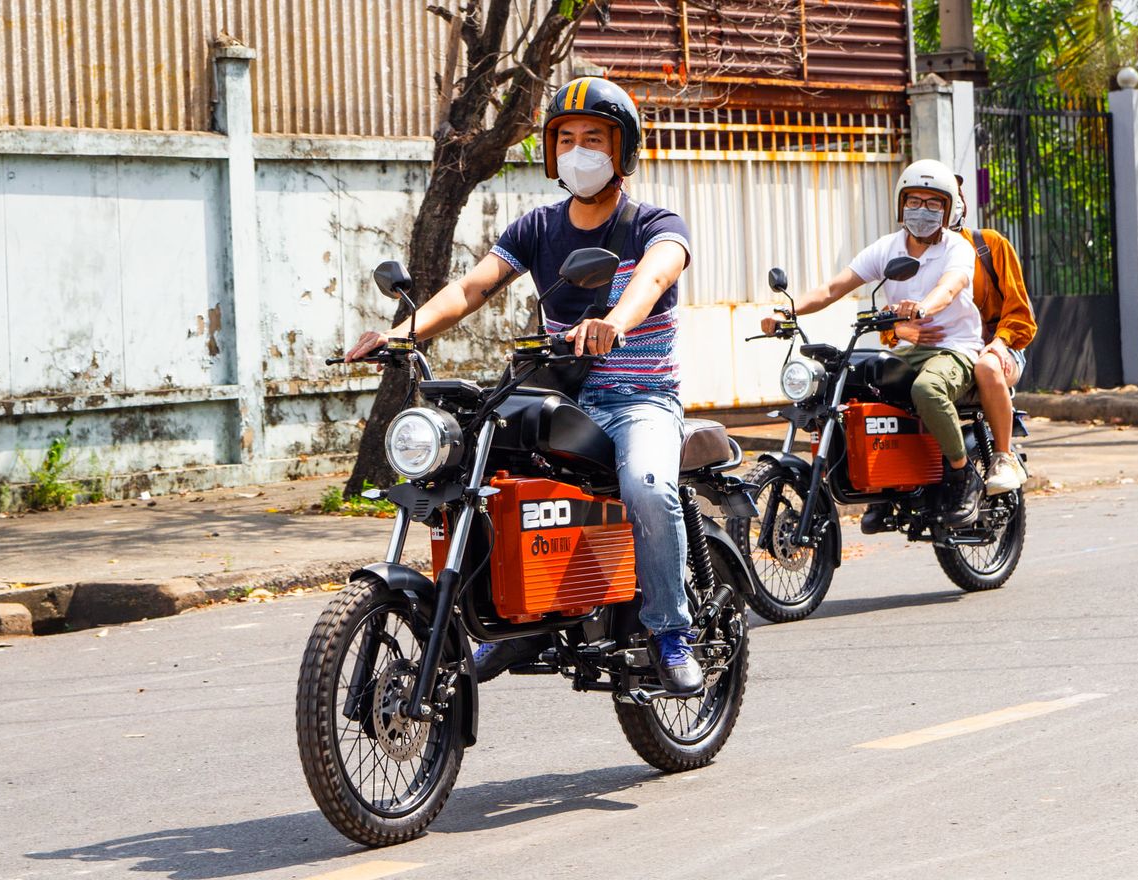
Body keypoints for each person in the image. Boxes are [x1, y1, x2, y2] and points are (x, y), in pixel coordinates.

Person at [345, 77, 703, 695]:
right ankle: (516, 616)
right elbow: (469, 289)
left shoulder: (654, 223)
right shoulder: (537, 227)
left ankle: (671, 632)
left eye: (594, 137)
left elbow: (652, 279)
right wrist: (401, 334)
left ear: (624, 150)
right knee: (482, 474)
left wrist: (613, 322)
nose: (578, 150)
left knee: (646, 487)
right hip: (564, 399)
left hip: (640, 401)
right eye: (565, 139)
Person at [760, 158, 985, 527]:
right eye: (915, 201)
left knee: (928, 391)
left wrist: (922, 308)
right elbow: (834, 288)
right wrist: (788, 311)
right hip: (907, 349)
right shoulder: (888, 247)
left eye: (933, 204)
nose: (922, 210)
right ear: (901, 204)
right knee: (852, 386)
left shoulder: (955, 249)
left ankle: (961, 476)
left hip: (954, 347)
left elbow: (950, 287)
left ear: (947, 210)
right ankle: (882, 484)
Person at [880, 182, 1036, 494]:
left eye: (939, 201)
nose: (926, 210)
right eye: (919, 202)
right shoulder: (911, 252)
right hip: (939, 352)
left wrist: (1001, 342)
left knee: (986, 368)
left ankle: (1003, 459)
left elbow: (1021, 312)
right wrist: (898, 330)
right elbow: (895, 312)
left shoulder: (989, 245)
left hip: (997, 349)